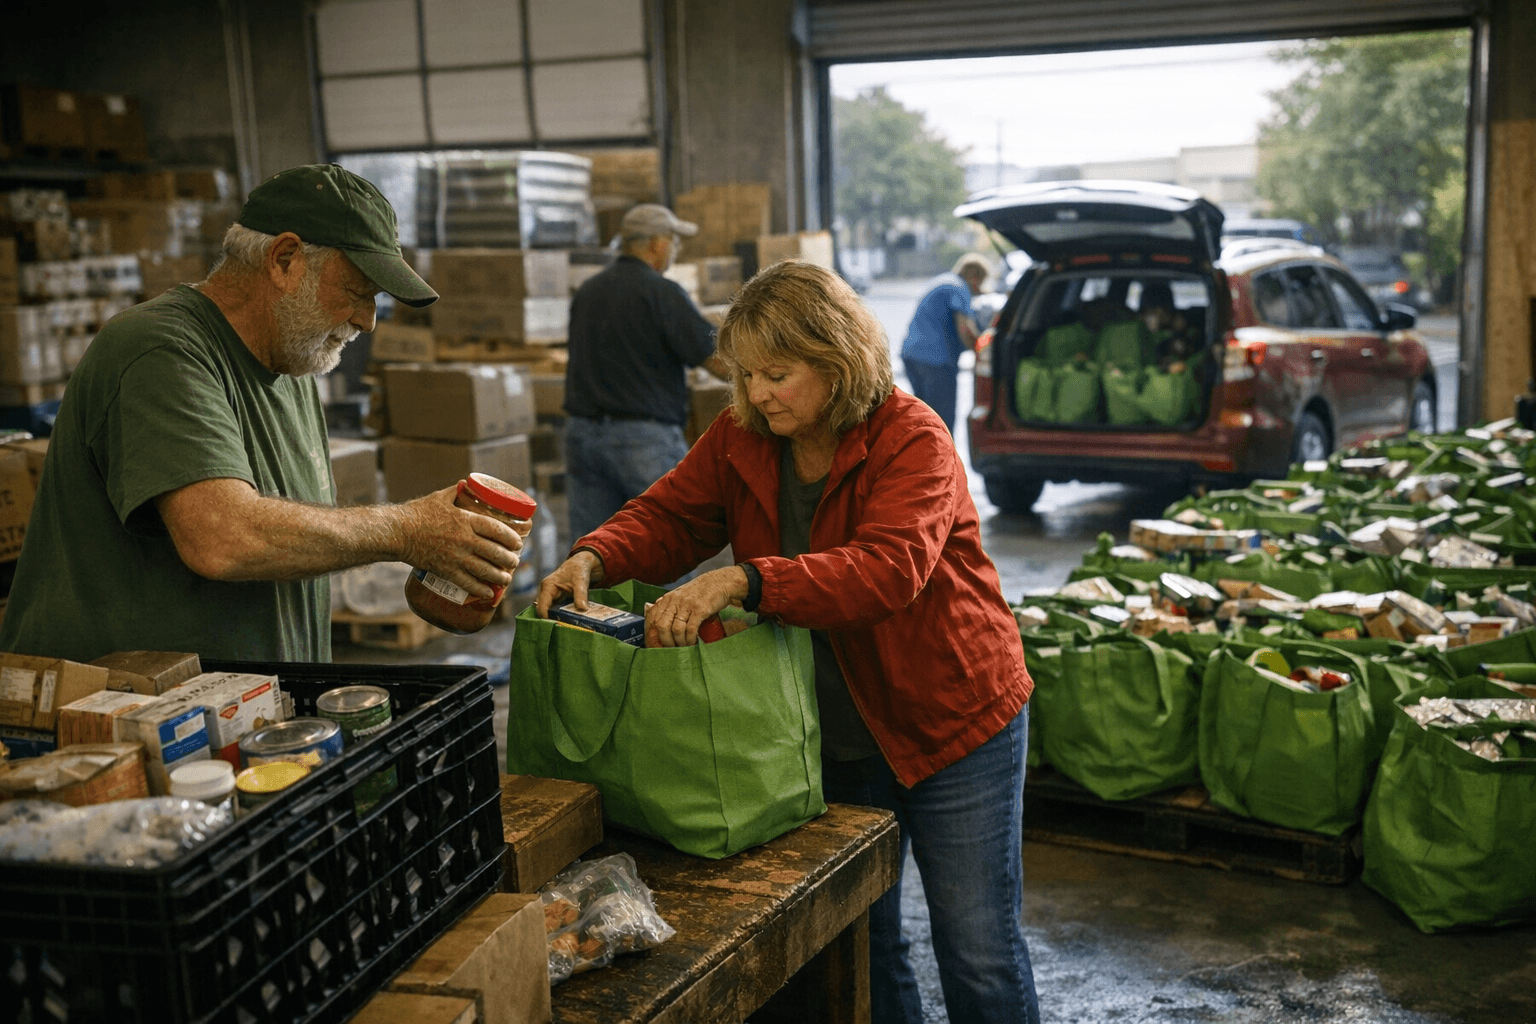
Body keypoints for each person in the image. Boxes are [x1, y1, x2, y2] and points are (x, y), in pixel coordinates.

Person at [537, 260, 1040, 1023]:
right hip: (834, 734)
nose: (760, 392)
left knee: (977, 948)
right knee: (863, 940)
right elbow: (673, 514)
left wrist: (745, 581)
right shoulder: (743, 436)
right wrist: (596, 554)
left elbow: (887, 570)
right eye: (747, 374)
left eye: (779, 373)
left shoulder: (914, 439)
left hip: (953, 724)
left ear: (837, 362)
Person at [0, 164, 524, 664]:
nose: (366, 322)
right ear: (284, 260)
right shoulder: (158, 350)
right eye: (357, 292)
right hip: (120, 719)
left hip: (242, 718)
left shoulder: (292, 363)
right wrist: (406, 531)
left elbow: (291, 538)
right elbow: (223, 539)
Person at [562, 202, 729, 540]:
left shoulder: (588, 291)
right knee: (669, 543)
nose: (677, 250)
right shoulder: (662, 293)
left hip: (582, 435)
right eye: (675, 242)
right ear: (658, 243)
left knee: (594, 552)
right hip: (642, 441)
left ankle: (586, 597)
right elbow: (717, 362)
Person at [899, 252, 991, 433]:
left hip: (912, 356)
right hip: (935, 361)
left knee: (924, 416)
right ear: (974, 275)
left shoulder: (944, 281)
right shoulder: (959, 288)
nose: (979, 288)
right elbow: (965, 329)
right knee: (942, 420)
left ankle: (923, 457)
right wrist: (983, 353)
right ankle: (942, 458)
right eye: (980, 282)